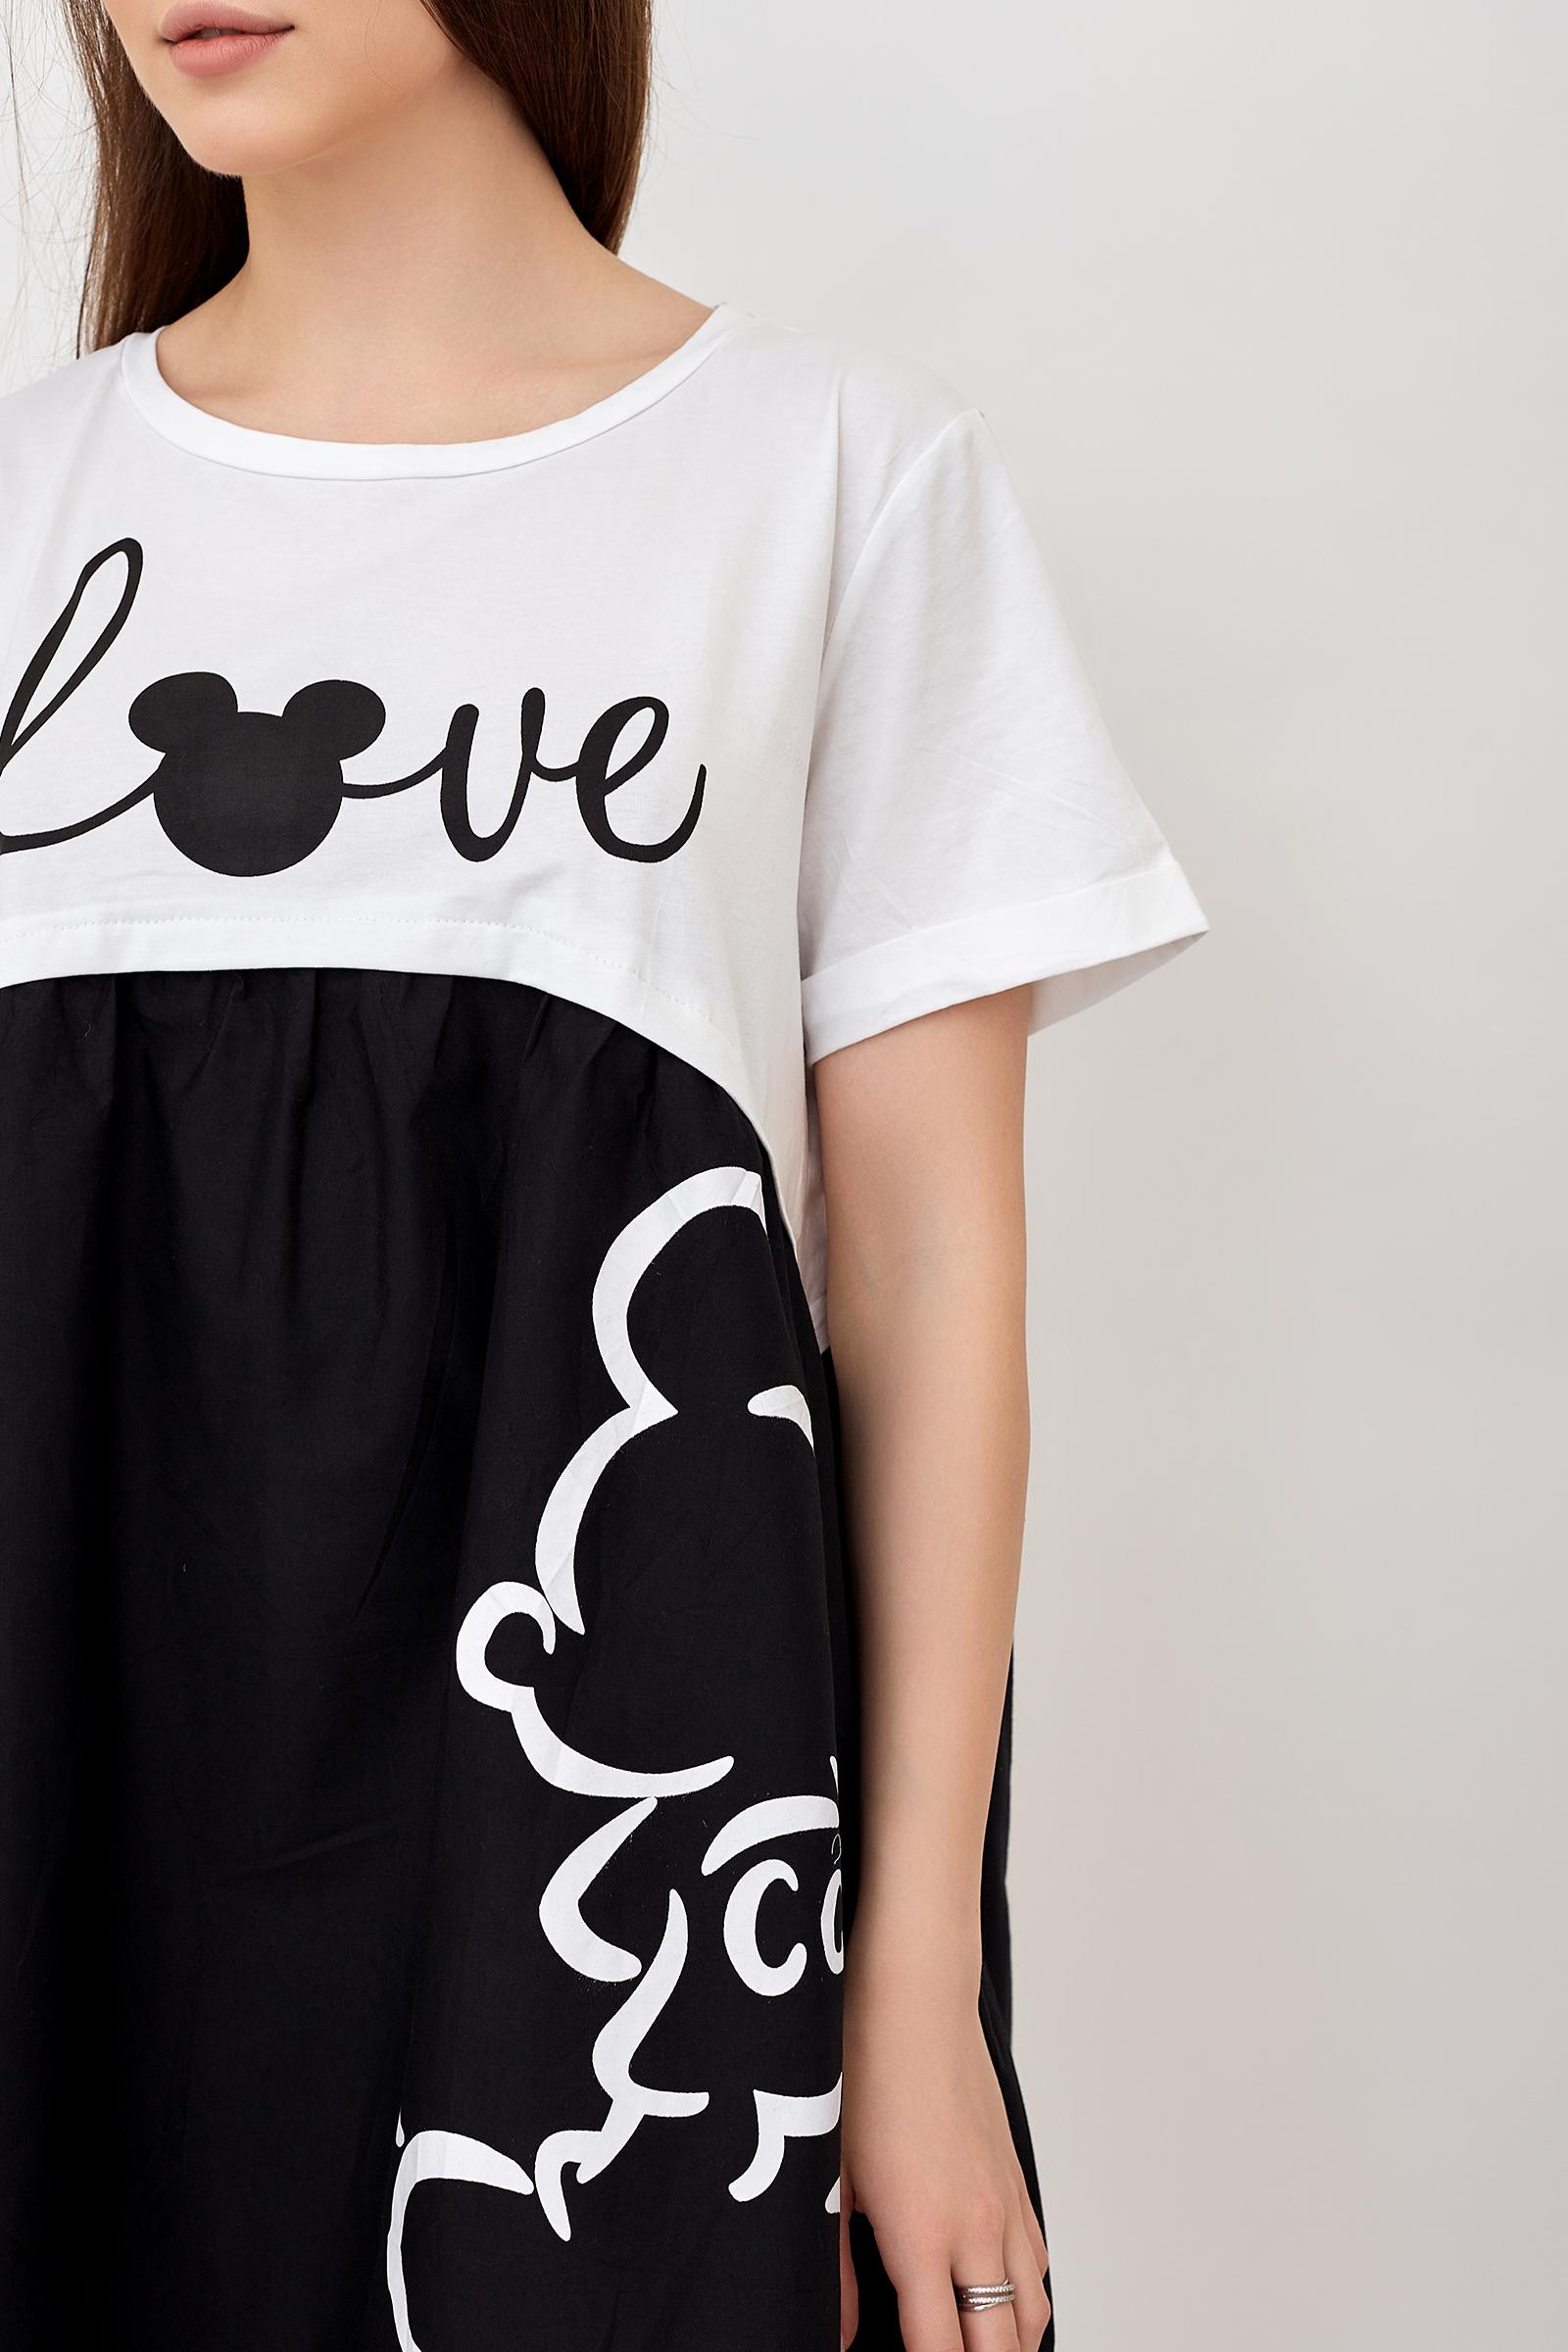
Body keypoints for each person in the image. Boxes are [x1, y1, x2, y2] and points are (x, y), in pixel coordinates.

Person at [0, 3, 1208, 2346]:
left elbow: (925, 1285)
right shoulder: (21, 504)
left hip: (586, 1885)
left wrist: (904, 1988)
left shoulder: (830, 479)